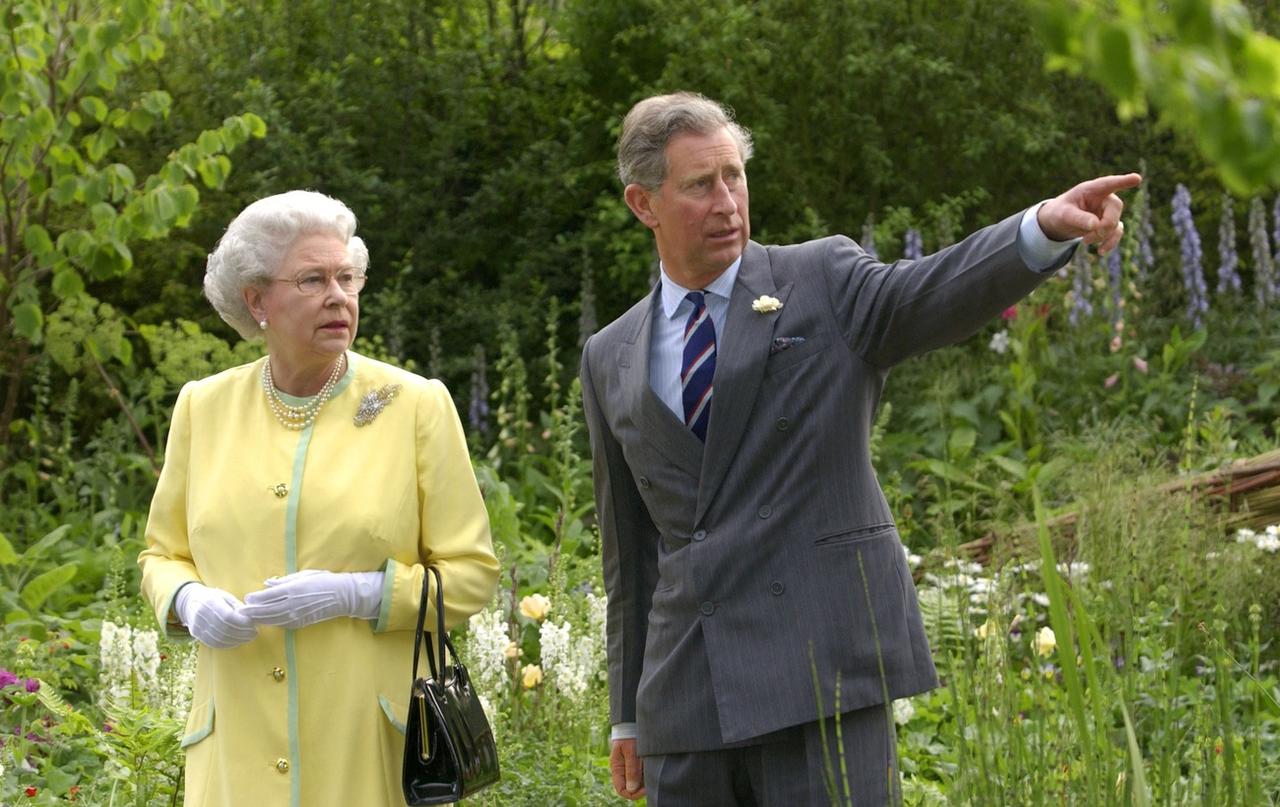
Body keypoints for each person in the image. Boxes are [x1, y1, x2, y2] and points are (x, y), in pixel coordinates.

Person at [579, 91, 1138, 805]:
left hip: (820, 679)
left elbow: (930, 291)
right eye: (699, 184)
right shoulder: (609, 354)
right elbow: (629, 558)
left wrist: (1039, 231)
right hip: (688, 703)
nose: (727, 201)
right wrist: (628, 713)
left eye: (735, 176)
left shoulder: (821, 281)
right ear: (643, 203)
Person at [138, 190, 499, 807]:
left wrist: (356, 593)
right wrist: (187, 599)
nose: (339, 295)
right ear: (257, 301)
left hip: (368, 752)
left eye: (347, 277)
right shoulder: (203, 406)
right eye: (313, 279)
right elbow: (161, 554)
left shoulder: (415, 405)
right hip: (234, 753)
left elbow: (471, 577)